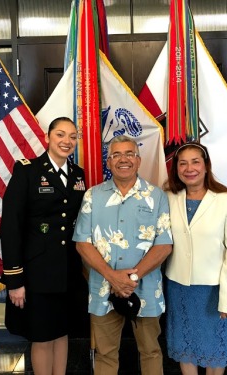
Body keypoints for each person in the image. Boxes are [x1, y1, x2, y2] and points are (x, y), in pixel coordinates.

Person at [72, 135, 173, 375]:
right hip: (102, 289)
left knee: (151, 351)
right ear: (108, 162)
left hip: (147, 289)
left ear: (138, 161)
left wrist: (131, 278)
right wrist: (112, 277)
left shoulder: (157, 196)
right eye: (116, 155)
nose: (123, 159)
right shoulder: (92, 196)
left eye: (129, 154)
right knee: (105, 353)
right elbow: (82, 243)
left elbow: (164, 244)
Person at [0, 116, 86, 375]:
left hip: (68, 270)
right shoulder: (27, 170)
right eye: (60, 135)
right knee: (42, 336)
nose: (67, 141)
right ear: (48, 137)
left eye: (72, 136)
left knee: (62, 332)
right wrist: (14, 279)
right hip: (37, 271)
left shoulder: (77, 175)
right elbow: (11, 226)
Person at [162, 141, 227, 375]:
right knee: (184, 347)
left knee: (215, 351)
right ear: (176, 168)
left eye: (195, 162)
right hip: (179, 287)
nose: (190, 168)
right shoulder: (169, 197)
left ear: (206, 166)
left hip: (215, 290)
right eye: (183, 163)